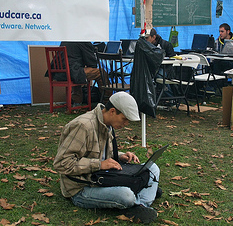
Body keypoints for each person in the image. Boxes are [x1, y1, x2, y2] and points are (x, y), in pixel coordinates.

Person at [53, 92, 160, 224]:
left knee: (153, 168)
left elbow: (100, 153)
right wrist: (99, 164)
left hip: (103, 177)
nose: (126, 124)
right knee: (125, 195)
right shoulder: (83, 126)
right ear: (113, 111)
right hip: (81, 187)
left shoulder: (107, 123)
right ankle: (142, 195)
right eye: (124, 119)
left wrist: (121, 156)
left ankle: (140, 204)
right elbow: (61, 163)